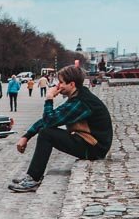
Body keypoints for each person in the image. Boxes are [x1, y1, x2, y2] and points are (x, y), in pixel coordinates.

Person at [10, 65, 113, 193]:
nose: (58, 86)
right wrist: (26, 136)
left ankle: (33, 179)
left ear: (72, 84)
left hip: (94, 148)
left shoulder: (81, 102)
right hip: (91, 143)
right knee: (46, 131)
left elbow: (49, 121)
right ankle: (32, 176)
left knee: (46, 134)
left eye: (61, 82)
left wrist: (49, 99)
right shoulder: (77, 97)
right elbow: (50, 119)